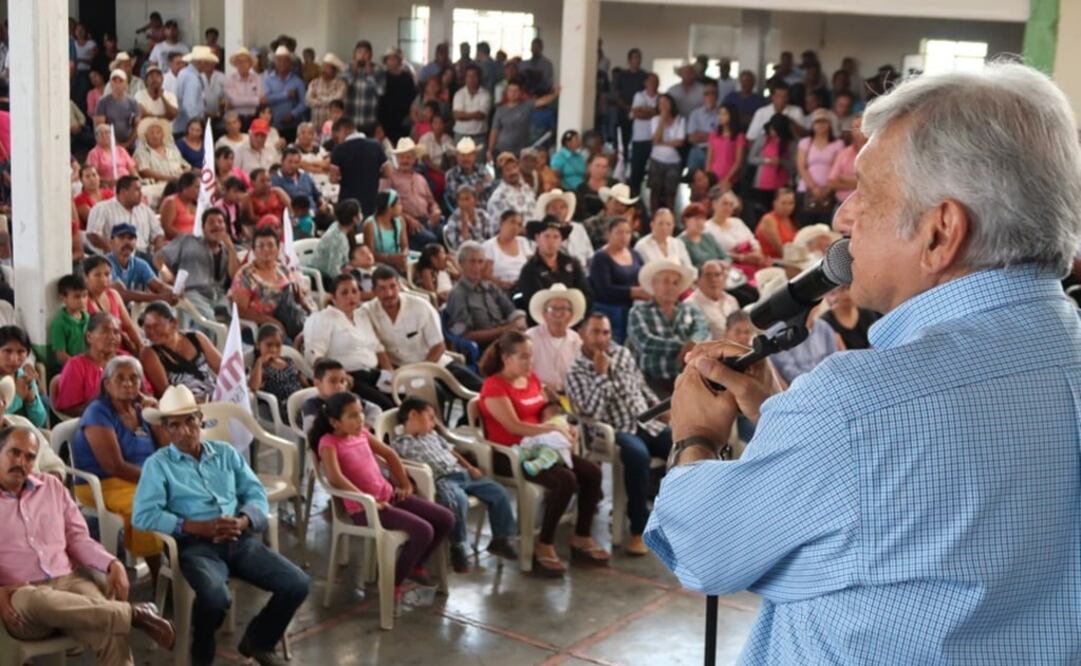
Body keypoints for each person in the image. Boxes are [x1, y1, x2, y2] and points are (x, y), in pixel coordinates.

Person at [647, 61, 1081, 662]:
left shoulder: (855, 407)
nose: (842, 216)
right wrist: (783, 417)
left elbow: (703, 547)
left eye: (867, 191)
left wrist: (695, 435)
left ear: (940, 232)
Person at [134, 385, 310, 666]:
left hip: (237, 538)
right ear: (165, 430)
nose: (184, 431)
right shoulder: (159, 465)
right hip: (194, 547)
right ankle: (202, 650)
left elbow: (255, 492)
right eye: (174, 425)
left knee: (297, 583)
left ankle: (258, 640)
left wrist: (243, 520)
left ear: (200, 419)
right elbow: (142, 515)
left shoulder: (225, 453)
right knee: (215, 599)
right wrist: (193, 526)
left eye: (189, 421)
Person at [0, 426, 177, 665]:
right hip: (21, 596)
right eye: (14, 453)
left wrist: (111, 563)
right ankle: (132, 614)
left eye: (30, 457)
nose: (21, 462)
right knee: (34, 599)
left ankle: (120, 615)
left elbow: (77, 538)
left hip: (69, 582)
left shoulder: (51, 488)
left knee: (113, 633)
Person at [477, 332, 609, 575]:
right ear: (506, 358)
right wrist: (550, 428)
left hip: (543, 448)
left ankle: (581, 535)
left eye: (531, 356)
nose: (530, 362)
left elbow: (547, 411)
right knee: (565, 480)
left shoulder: (532, 380)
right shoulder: (494, 386)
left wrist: (563, 425)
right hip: (512, 454)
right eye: (523, 357)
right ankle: (544, 542)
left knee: (591, 472)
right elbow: (513, 426)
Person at [311, 391, 453, 601]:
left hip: (389, 496)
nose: (360, 419)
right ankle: (392, 582)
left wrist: (404, 483)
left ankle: (415, 565)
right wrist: (368, 501)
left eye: (360, 413)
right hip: (364, 509)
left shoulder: (362, 433)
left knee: (446, 518)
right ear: (334, 422)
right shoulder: (328, 442)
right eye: (352, 416)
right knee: (423, 530)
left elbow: (390, 454)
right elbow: (335, 478)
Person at [566, 312, 671, 555]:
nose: (601, 338)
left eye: (606, 332)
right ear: (582, 334)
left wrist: (660, 410)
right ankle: (639, 529)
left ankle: (675, 517)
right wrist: (601, 375)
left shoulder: (622, 353)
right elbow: (591, 413)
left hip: (646, 422)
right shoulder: (576, 372)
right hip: (613, 431)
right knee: (638, 456)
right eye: (595, 332)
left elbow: (641, 387)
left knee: (682, 445)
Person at [390, 397, 517, 573]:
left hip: (463, 474)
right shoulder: (401, 443)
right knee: (457, 501)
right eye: (431, 417)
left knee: (499, 492)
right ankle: (457, 546)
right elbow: (398, 465)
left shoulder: (433, 435)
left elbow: (452, 452)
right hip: (443, 479)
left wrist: (470, 467)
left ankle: (501, 539)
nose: (434, 423)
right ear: (413, 415)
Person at [71, 356, 164, 574]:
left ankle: (179, 562)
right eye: (120, 378)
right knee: (146, 505)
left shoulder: (141, 410)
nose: (128, 383)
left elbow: (167, 447)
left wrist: (156, 416)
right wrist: (156, 480)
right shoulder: (98, 412)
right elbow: (114, 466)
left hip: (140, 478)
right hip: (103, 483)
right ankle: (159, 575)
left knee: (181, 496)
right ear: (107, 383)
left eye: (134, 378)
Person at [365, 266, 483, 391]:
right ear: (373, 291)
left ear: (399, 286)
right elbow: (378, 348)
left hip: (433, 363)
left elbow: (438, 346)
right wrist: (392, 375)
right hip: (400, 372)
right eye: (382, 288)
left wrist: (421, 373)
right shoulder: (367, 312)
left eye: (392, 286)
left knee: (479, 387)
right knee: (434, 395)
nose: (389, 293)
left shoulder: (420, 306)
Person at [302, 274, 394, 409]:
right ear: (333, 297)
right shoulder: (324, 318)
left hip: (374, 374)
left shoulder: (361, 315)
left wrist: (391, 373)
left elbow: (377, 348)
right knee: (386, 406)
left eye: (354, 292)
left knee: (404, 398)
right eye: (344, 293)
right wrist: (341, 376)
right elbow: (314, 355)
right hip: (348, 378)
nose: (351, 296)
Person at [627, 259, 708, 397]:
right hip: (653, 382)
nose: (671, 287)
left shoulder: (691, 309)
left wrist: (693, 343)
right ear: (654, 284)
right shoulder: (638, 311)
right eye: (665, 281)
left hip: (690, 378)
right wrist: (685, 347)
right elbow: (646, 343)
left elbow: (702, 331)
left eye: (675, 283)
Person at [53, 313, 148, 416]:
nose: (112, 337)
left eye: (116, 332)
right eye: (105, 331)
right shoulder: (76, 365)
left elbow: (146, 391)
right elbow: (69, 409)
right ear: (89, 336)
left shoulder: (126, 360)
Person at [229, 227, 310, 340]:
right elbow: (239, 310)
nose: (266, 249)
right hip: (263, 326)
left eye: (271, 245)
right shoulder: (246, 275)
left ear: (277, 249)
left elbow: (297, 297)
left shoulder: (283, 269)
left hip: (291, 320)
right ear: (253, 250)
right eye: (261, 246)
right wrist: (271, 321)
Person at [159, 208, 240, 320]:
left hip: (218, 297)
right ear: (203, 228)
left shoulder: (229, 251)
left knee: (231, 320)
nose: (216, 225)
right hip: (191, 293)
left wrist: (231, 248)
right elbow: (159, 258)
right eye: (211, 222)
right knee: (209, 318)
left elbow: (235, 276)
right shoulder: (187, 241)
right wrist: (168, 275)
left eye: (220, 222)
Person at [445, 241, 527, 349]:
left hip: (506, 340)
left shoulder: (491, 287)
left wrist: (520, 322)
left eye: (480, 262)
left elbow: (511, 311)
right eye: (472, 261)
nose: (477, 267)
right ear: (461, 263)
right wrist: (503, 331)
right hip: (484, 348)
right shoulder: (458, 294)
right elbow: (465, 335)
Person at [517, 217, 592, 325]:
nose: (551, 241)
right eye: (546, 236)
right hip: (542, 323)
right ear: (537, 238)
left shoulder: (572, 263)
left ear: (561, 240)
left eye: (556, 237)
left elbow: (587, 294)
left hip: (574, 319)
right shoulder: (529, 269)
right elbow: (534, 301)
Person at [139, 301, 221, 400]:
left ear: (174, 323)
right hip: (187, 407)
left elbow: (224, 369)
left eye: (157, 326)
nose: (152, 332)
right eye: (147, 327)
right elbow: (166, 394)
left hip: (216, 395)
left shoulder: (196, 338)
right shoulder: (149, 353)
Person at [589, 217, 647, 343]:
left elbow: (644, 276)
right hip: (610, 310)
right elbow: (604, 289)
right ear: (608, 234)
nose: (624, 236)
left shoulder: (635, 254)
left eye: (628, 233)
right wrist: (633, 292)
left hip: (634, 308)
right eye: (619, 232)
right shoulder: (600, 257)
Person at [378, 139, 441, 250]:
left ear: (414, 159)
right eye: (401, 157)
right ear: (396, 158)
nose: (405, 160)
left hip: (427, 220)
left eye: (408, 157)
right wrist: (409, 219)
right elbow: (385, 205)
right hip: (404, 223)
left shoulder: (421, 178)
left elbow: (432, 201)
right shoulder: (390, 177)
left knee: (445, 235)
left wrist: (436, 210)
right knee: (431, 240)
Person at [525, 284, 585, 395]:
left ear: (571, 315)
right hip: (538, 394)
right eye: (552, 309)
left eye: (563, 309)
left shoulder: (576, 339)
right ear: (544, 315)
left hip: (570, 395)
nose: (558, 313)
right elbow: (523, 373)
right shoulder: (531, 337)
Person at [486, 79, 560, 161]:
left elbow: (542, 101)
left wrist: (555, 94)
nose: (513, 93)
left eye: (516, 91)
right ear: (506, 92)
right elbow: (494, 131)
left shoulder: (526, 106)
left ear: (520, 92)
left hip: (520, 151)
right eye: (510, 91)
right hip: (501, 150)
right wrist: (490, 150)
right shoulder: (500, 110)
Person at [249, 323, 309, 420]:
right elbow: (253, 386)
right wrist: (259, 362)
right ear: (258, 345)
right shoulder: (262, 368)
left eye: (278, 345)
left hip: (302, 399)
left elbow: (301, 379)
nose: (273, 349)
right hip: (287, 407)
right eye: (269, 345)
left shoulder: (288, 360)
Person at [330, 116, 387, 217]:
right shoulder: (376, 145)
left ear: (343, 130)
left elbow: (333, 178)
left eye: (337, 137)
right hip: (371, 203)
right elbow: (388, 172)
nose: (338, 140)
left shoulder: (339, 150)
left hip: (348, 205)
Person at [796, 108, 845, 227]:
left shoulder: (838, 144)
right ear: (812, 125)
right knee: (805, 226)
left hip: (828, 190)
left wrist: (827, 188)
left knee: (825, 227)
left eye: (824, 121)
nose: (821, 125)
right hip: (806, 189)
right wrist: (813, 187)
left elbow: (837, 167)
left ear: (830, 124)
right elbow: (801, 166)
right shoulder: (805, 142)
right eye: (817, 122)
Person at [83, 256, 142, 354]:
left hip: (121, 349)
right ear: (86, 277)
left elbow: (128, 326)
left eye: (107, 274)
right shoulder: (83, 301)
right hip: (98, 353)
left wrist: (141, 347)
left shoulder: (113, 294)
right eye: (97, 275)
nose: (103, 279)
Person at [107, 224, 173, 304]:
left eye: (131, 238)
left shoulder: (139, 263)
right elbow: (121, 293)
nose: (127, 242)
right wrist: (159, 297)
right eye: (121, 237)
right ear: (111, 242)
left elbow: (158, 286)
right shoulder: (106, 263)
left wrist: (172, 292)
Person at [748, 113, 797, 215]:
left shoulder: (790, 143)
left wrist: (781, 161)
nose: (773, 132)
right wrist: (766, 160)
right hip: (762, 183)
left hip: (782, 183)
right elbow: (751, 158)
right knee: (761, 212)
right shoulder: (764, 138)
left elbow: (794, 165)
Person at [0, 326, 47, 427]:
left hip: (24, 434)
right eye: (7, 351)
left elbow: (39, 421)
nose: (14, 359)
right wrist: (18, 397)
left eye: (21, 352)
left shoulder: (24, 376)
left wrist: (31, 399)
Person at [647, 94, 686, 213]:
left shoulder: (680, 120)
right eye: (660, 103)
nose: (663, 106)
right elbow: (655, 140)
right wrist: (662, 121)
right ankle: (653, 216)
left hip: (673, 161)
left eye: (666, 103)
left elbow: (680, 141)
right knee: (655, 191)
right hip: (656, 159)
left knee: (671, 192)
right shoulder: (654, 120)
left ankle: (670, 218)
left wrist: (662, 142)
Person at [263, 46, 307, 142]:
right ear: (275, 62)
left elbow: (304, 103)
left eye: (285, 60)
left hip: (293, 126)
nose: (282, 63)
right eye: (279, 60)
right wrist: (286, 95)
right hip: (273, 126)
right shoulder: (268, 80)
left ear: (290, 63)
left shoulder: (298, 81)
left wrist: (292, 114)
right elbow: (266, 99)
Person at [687, 259, 740, 339]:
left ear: (724, 278)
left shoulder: (731, 300)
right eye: (708, 275)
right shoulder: (690, 305)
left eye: (717, 275)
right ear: (698, 280)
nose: (713, 279)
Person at [173, 46, 218, 137]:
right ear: (201, 62)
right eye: (207, 62)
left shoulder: (185, 73)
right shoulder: (192, 78)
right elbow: (190, 106)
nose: (209, 64)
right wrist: (197, 126)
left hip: (183, 125)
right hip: (188, 128)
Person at [343, 40, 386, 136]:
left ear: (371, 55)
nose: (362, 55)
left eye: (365, 52)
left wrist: (370, 75)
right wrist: (352, 73)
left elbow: (381, 91)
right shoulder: (347, 68)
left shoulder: (378, 70)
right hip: (350, 119)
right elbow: (343, 89)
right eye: (359, 52)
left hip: (369, 120)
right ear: (354, 54)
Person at [49, 274, 90, 373]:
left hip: (88, 364)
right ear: (63, 298)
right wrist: (81, 367)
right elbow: (61, 356)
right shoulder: (59, 324)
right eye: (76, 296)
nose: (82, 301)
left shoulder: (88, 317)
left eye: (84, 296)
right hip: (69, 369)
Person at [362, 190, 409, 275]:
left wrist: (403, 257)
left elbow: (405, 246)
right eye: (399, 204)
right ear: (389, 208)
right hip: (380, 264)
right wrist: (391, 259)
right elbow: (370, 254)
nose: (401, 207)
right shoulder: (370, 224)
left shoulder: (400, 221)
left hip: (399, 262)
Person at [819, 285, 879, 351]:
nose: (847, 293)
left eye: (849, 288)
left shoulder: (866, 312)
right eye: (842, 290)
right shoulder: (825, 323)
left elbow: (876, 342)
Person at [482, 211, 531, 291]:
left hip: (524, 286)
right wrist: (501, 283)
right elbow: (485, 275)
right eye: (512, 222)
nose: (515, 227)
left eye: (519, 224)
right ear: (501, 222)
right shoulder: (489, 246)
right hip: (500, 290)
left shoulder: (523, 242)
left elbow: (533, 266)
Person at [628, 72, 660, 197]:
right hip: (639, 138)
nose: (654, 84)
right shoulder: (639, 95)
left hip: (655, 139)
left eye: (656, 81)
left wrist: (645, 111)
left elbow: (661, 113)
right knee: (637, 171)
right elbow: (636, 114)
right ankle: (634, 197)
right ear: (645, 83)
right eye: (651, 81)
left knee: (654, 173)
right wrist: (654, 112)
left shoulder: (660, 97)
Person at [133, 118, 186, 190]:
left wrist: (184, 176)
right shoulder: (141, 151)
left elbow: (184, 165)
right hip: (157, 186)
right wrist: (169, 178)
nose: (155, 136)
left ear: (163, 135)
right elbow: (144, 170)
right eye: (151, 133)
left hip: (180, 183)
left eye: (158, 133)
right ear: (146, 136)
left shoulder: (172, 148)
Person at [94, 70, 140, 151]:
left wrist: (128, 144)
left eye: (121, 81)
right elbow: (100, 127)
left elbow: (137, 125)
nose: (117, 84)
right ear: (110, 84)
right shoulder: (102, 102)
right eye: (114, 81)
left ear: (126, 84)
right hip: (108, 145)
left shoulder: (133, 102)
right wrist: (114, 144)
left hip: (129, 145)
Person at [486, 153, 536, 226]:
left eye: (514, 167)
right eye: (508, 169)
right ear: (501, 174)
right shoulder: (498, 198)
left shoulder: (527, 188)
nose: (513, 172)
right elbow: (501, 229)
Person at [272, 146, 324, 215]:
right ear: (282, 161)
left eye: (296, 162)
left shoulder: (305, 176)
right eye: (290, 162)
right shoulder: (275, 180)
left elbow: (317, 195)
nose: (293, 165)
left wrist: (323, 203)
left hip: (315, 213)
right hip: (295, 216)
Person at [827, 115, 866, 206]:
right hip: (843, 205)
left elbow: (875, 183)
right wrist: (859, 184)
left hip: (868, 207)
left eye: (859, 127)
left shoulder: (878, 153)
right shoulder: (844, 153)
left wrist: (844, 178)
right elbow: (831, 182)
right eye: (854, 127)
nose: (856, 130)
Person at [706, 103, 746, 189]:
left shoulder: (739, 136)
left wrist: (727, 179)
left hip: (730, 179)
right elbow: (709, 158)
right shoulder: (714, 135)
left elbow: (738, 162)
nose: (721, 116)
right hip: (713, 177)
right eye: (720, 114)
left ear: (732, 115)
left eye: (724, 114)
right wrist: (707, 177)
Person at [85, 124, 137, 189]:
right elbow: (92, 175)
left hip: (127, 182)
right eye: (100, 133)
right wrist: (107, 182)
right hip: (108, 185)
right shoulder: (94, 153)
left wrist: (137, 180)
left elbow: (132, 169)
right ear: (96, 138)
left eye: (107, 132)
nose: (104, 135)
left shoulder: (120, 150)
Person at [445, 137, 492, 208]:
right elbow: (458, 196)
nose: (466, 158)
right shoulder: (451, 174)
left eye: (470, 155)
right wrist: (479, 188)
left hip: (489, 208)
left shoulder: (481, 168)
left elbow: (491, 184)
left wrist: (480, 187)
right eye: (462, 155)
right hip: (466, 212)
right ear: (457, 156)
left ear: (475, 156)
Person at [452, 65, 492, 145]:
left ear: (479, 77)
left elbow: (481, 115)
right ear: (465, 78)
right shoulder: (459, 94)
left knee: (479, 158)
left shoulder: (485, 94)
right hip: (460, 134)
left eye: (474, 76)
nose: (471, 79)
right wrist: (474, 114)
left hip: (479, 135)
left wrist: (464, 115)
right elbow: (457, 116)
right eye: (469, 76)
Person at [307, 53, 347, 130]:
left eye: (327, 68)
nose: (323, 70)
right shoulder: (314, 83)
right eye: (323, 67)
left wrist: (318, 98)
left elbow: (336, 101)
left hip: (333, 128)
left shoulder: (340, 85)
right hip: (316, 126)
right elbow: (309, 101)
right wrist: (328, 99)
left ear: (334, 70)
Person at [756, 188, 799, 260]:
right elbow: (779, 249)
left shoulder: (791, 219)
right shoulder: (769, 220)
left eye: (791, 203)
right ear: (775, 203)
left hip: (792, 258)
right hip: (774, 261)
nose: (787, 207)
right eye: (783, 203)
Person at [685, 82, 719, 169]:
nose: (710, 96)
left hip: (716, 151)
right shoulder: (695, 113)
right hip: (697, 150)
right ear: (703, 97)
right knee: (693, 179)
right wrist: (712, 135)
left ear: (717, 96)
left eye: (713, 93)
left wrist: (701, 134)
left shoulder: (722, 113)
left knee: (712, 179)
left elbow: (722, 137)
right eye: (706, 94)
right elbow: (692, 138)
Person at [444, 185, 489, 251]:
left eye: (467, 199)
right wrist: (464, 225)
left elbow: (490, 237)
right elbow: (457, 246)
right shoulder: (453, 220)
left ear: (475, 200)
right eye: (461, 200)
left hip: (485, 250)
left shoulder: (482, 215)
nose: (464, 203)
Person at [223, 47, 263, 121]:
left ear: (250, 64)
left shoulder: (257, 78)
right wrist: (256, 100)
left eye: (245, 61)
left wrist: (236, 103)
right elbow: (235, 100)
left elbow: (261, 98)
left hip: (254, 117)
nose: (242, 64)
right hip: (235, 119)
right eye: (239, 62)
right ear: (236, 64)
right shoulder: (230, 80)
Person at [159, 172, 199, 239]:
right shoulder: (171, 202)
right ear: (185, 187)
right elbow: (167, 229)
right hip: (177, 243)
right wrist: (187, 238)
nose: (198, 191)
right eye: (196, 187)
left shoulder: (194, 203)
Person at [73, 165, 114, 229]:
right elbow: (94, 220)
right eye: (87, 176)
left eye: (94, 175)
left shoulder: (110, 193)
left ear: (99, 177)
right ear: (81, 180)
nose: (92, 179)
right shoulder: (79, 200)